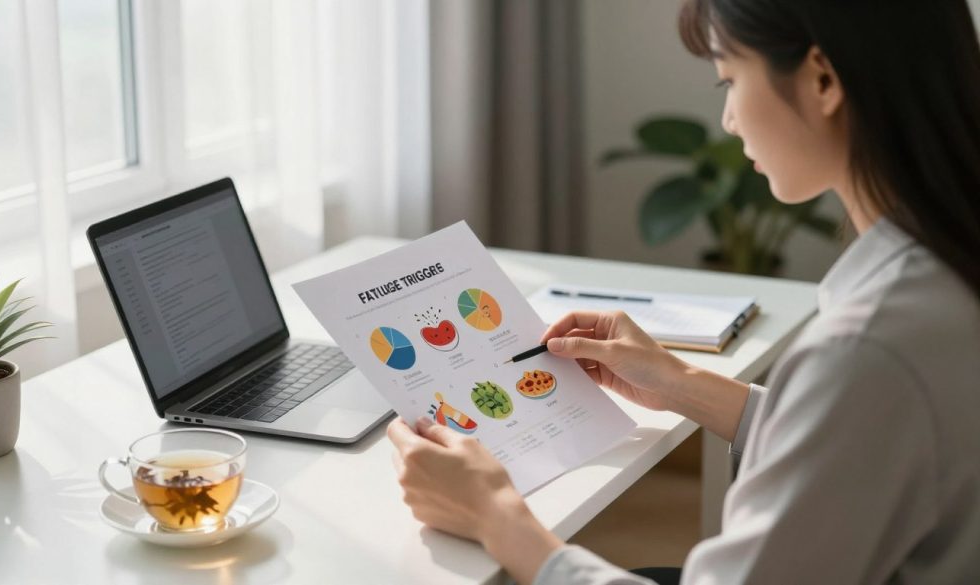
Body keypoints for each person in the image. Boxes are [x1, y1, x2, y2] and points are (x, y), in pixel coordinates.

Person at [386, 0, 980, 582]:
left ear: (822, 78)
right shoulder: (941, 275)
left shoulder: (868, 348)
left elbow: (865, 401)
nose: (728, 120)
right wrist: (682, 384)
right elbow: (873, 437)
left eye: (728, 80)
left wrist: (497, 518)